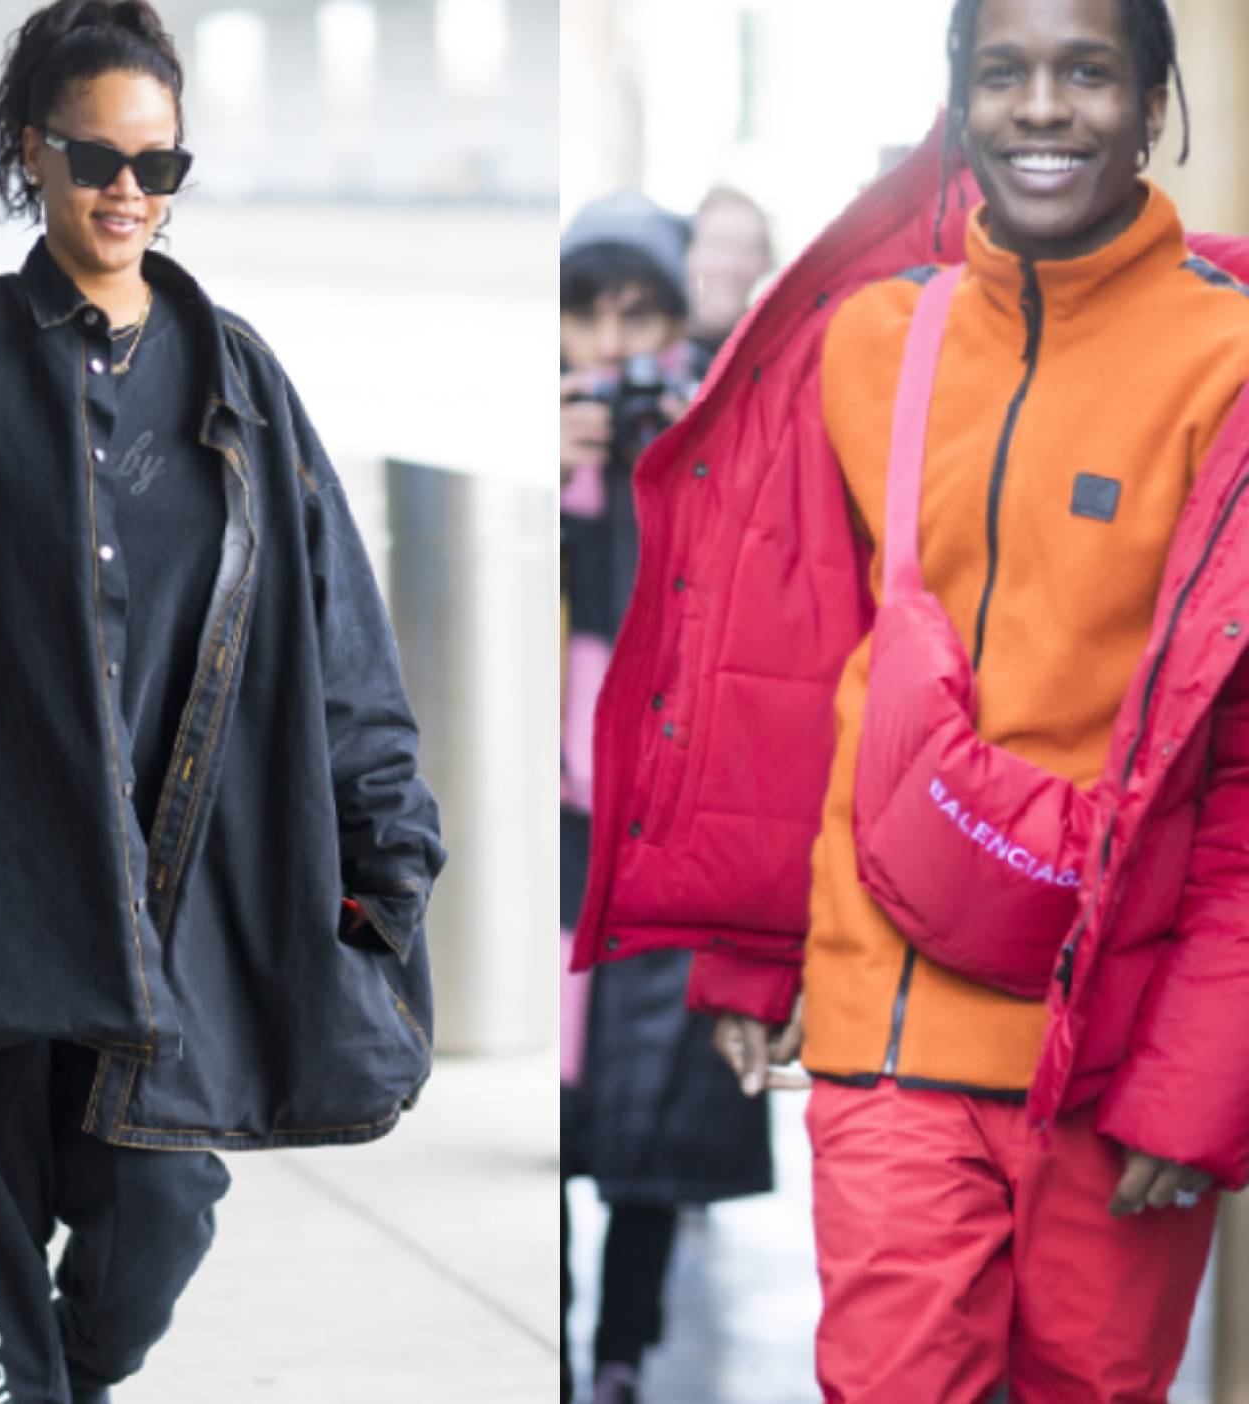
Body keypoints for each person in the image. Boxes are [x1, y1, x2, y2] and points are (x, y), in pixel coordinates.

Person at [569, 0, 1249, 1400]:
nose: (1044, 109)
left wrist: (1202, 1092)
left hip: (1120, 1057)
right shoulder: (870, 345)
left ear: (1152, 102)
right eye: (1003, 72)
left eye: (1089, 71)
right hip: (885, 1039)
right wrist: (760, 949)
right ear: (960, 98)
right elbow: (799, 675)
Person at [0, 3, 444, 1401]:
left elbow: (339, 640)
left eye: (160, 164)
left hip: (176, 910)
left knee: (158, 1213)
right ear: (34, 154)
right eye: (97, 157)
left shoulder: (241, 379)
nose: (130, 190)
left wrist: (389, 847)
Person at [559, 191, 771, 1404]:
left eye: (638, 310)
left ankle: (621, 1358)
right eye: (588, 313)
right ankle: (566, 1337)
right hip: (557, 836)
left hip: (657, 825)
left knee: (646, 1126)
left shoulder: (705, 421)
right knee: (562, 1119)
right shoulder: (536, 429)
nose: (612, 341)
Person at [684, 185, 774, 368]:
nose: (731, 264)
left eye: (748, 248)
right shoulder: (655, 343)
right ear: (691, 252)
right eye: (719, 245)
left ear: (766, 262)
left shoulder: (774, 349)